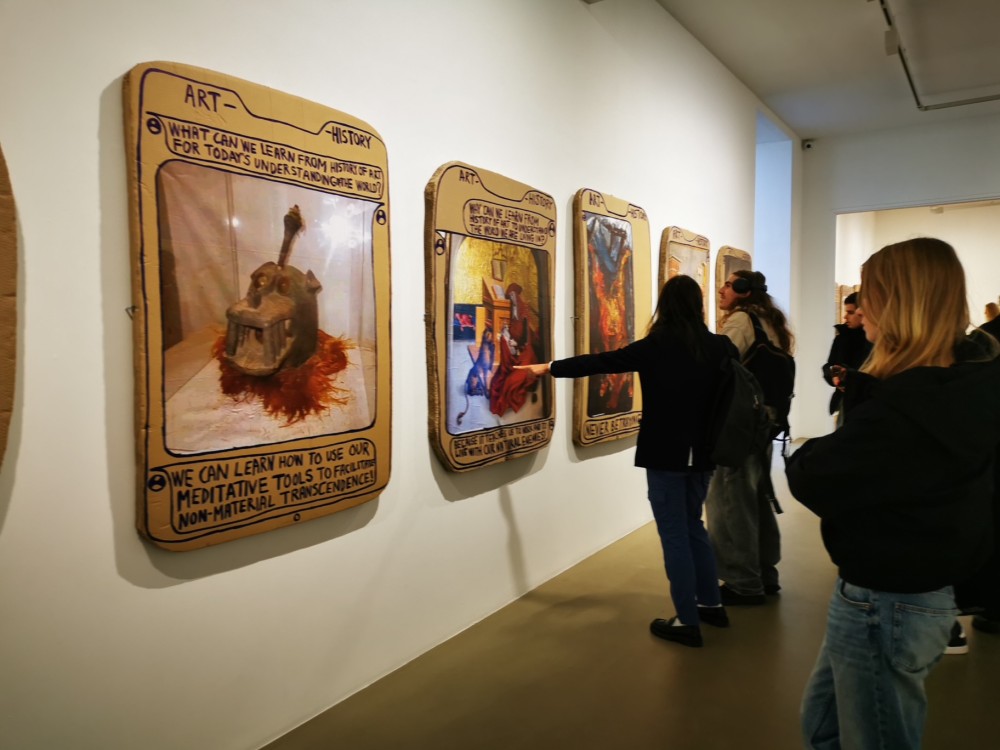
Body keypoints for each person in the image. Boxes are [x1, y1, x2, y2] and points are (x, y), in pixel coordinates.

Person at [785, 238, 1000, 750]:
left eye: (870, 296)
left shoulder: (908, 406)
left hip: (887, 599)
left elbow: (812, 476)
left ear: (898, 303)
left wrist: (845, 412)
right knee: (824, 725)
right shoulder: (965, 385)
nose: (861, 309)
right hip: (909, 590)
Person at [516, 275, 737, 647]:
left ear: (665, 306)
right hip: (704, 455)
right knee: (693, 526)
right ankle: (711, 604)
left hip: (665, 455)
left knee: (675, 535)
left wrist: (548, 367)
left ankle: (687, 621)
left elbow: (601, 361)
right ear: (698, 306)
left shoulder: (658, 346)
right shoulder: (721, 346)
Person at [706, 269, 794, 605]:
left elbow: (718, 364)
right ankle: (764, 574)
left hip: (740, 424)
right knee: (755, 496)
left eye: (729, 285)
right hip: (763, 421)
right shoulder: (770, 321)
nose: (722, 289)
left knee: (730, 500)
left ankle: (743, 582)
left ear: (744, 290)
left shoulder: (742, 320)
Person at [822, 292, 872, 420]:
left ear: (863, 312)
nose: (845, 317)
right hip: (844, 401)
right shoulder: (841, 337)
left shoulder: (873, 339)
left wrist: (849, 376)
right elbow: (829, 365)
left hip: (867, 402)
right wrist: (833, 374)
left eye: (850, 312)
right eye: (846, 312)